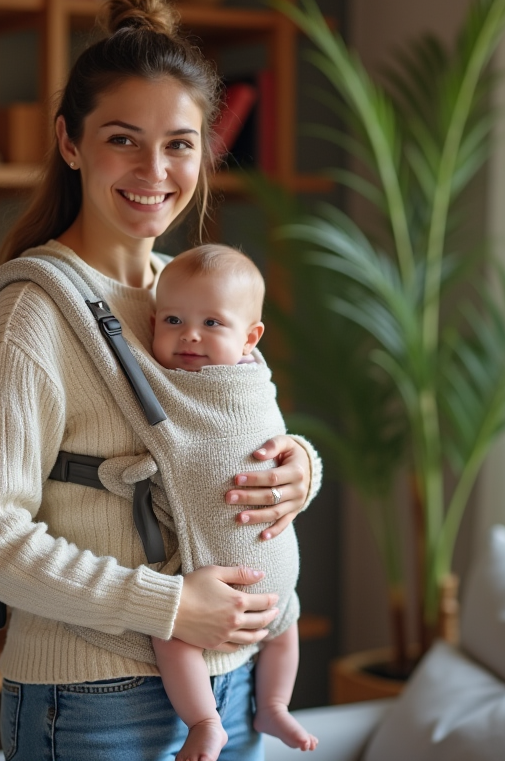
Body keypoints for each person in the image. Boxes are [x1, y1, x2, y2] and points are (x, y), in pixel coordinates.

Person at [0, 0, 322, 761]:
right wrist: (171, 604)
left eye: (180, 144)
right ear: (71, 142)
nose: (156, 169)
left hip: (236, 680)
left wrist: (300, 470)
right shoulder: (35, 312)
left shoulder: (191, 292)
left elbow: (236, 425)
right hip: (93, 697)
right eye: (124, 139)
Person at [148, 244, 318, 759]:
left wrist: (304, 465)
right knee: (170, 635)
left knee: (285, 630)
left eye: (212, 323)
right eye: (173, 320)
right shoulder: (169, 387)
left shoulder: (253, 384)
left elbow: (274, 441)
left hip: (275, 577)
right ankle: (204, 721)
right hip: (202, 584)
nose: (189, 335)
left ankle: (273, 705)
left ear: (250, 339)